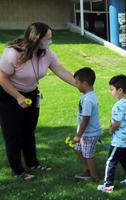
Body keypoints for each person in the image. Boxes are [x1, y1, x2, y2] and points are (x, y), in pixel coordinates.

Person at [0, 22, 75, 180]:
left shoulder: (46, 53)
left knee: (28, 131)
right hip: (9, 96)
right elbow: (2, 77)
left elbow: (60, 70)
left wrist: (82, 85)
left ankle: (33, 163)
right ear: (36, 38)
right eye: (47, 38)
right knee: (13, 134)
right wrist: (18, 97)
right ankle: (18, 170)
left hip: (32, 94)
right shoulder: (13, 53)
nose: (50, 41)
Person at [97, 75, 126, 193]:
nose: (110, 92)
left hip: (119, 140)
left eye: (112, 89)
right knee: (124, 159)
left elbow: (116, 124)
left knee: (110, 161)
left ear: (119, 90)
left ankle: (108, 186)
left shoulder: (118, 105)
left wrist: (110, 130)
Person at [73, 67, 101, 182]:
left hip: (89, 133)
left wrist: (79, 135)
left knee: (88, 155)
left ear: (85, 84)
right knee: (78, 150)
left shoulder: (88, 100)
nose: (76, 85)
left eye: (77, 83)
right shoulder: (88, 95)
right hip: (87, 132)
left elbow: (86, 119)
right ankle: (88, 170)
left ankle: (94, 177)